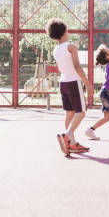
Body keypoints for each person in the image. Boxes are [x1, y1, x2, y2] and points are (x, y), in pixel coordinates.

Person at [46, 18, 93, 155]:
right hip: (73, 82)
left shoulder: (56, 50)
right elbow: (77, 67)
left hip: (63, 82)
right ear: (65, 31)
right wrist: (88, 84)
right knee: (81, 112)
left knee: (70, 114)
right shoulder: (71, 47)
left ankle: (71, 143)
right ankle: (67, 136)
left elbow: (63, 68)